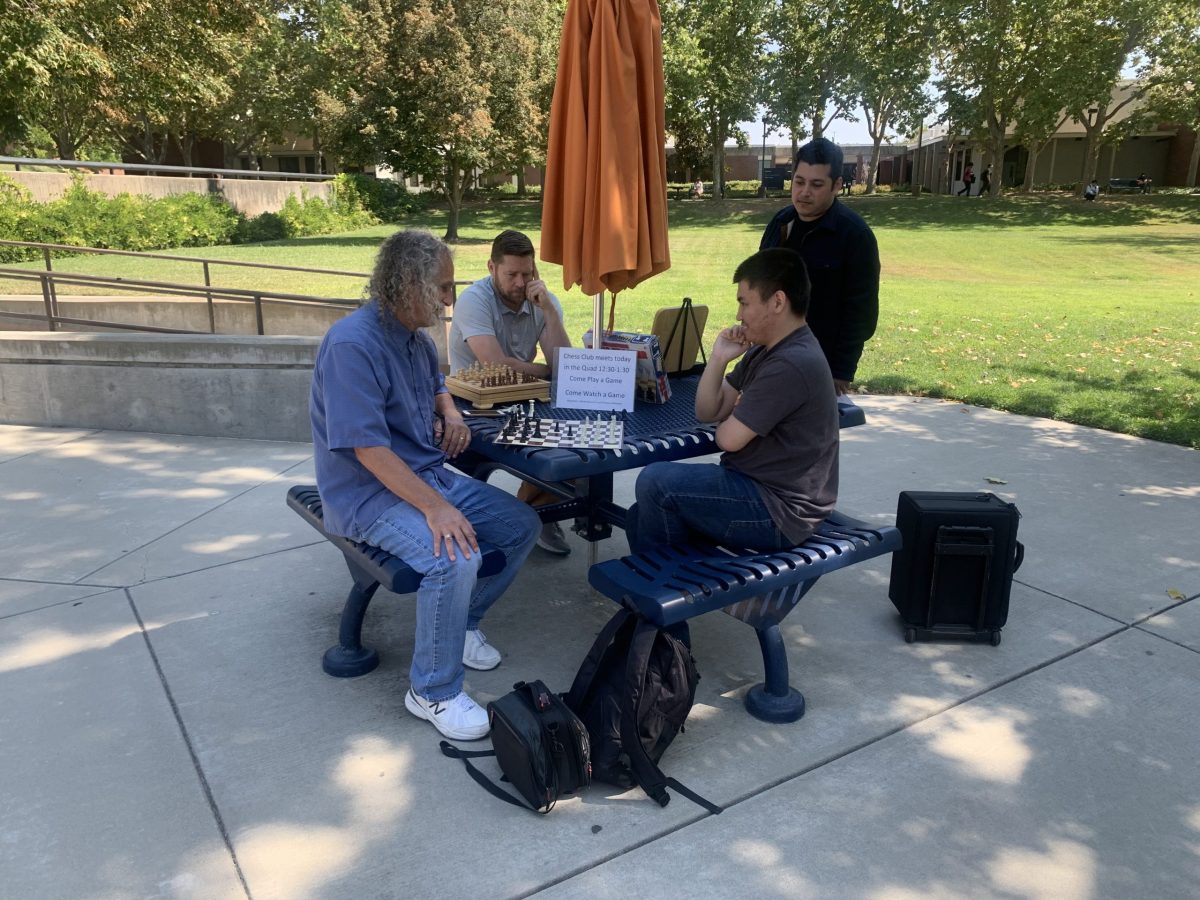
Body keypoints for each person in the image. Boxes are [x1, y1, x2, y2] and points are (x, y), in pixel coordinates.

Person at [310, 230, 540, 741]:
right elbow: (367, 451)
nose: (449, 298)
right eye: (442, 286)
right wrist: (436, 508)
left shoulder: (412, 337)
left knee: (521, 524)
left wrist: (449, 408)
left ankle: (459, 627)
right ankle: (432, 691)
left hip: (424, 474)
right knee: (454, 555)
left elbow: (436, 381)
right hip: (366, 496)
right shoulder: (352, 344)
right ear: (406, 284)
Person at [625, 248, 838, 555]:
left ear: (777, 301)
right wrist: (719, 357)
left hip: (780, 512)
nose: (738, 315)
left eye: (744, 302)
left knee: (655, 482)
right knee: (641, 514)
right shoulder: (765, 349)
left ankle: (670, 593)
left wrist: (737, 412)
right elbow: (707, 410)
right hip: (757, 488)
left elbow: (728, 438)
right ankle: (667, 590)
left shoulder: (791, 362)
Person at [449, 230, 574, 556]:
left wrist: (548, 311)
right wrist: (546, 371)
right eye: (512, 275)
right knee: (554, 444)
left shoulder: (542, 300)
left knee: (577, 440)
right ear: (491, 268)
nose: (521, 283)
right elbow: (494, 363)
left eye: (527, 273)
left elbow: (565, 364)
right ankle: (532, 512)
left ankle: (541, 511)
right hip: (472, 407)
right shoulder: (474, 300)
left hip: (525, 401)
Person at [759, 137, 880, 395]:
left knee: (809, 434)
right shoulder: (781, 222)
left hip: (821, 363)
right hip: (770, 354)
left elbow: (861, 313)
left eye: (816, 185)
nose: (804, 192)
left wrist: (840, 372)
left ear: (837, 185)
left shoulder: (855, 235)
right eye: (799, 182)